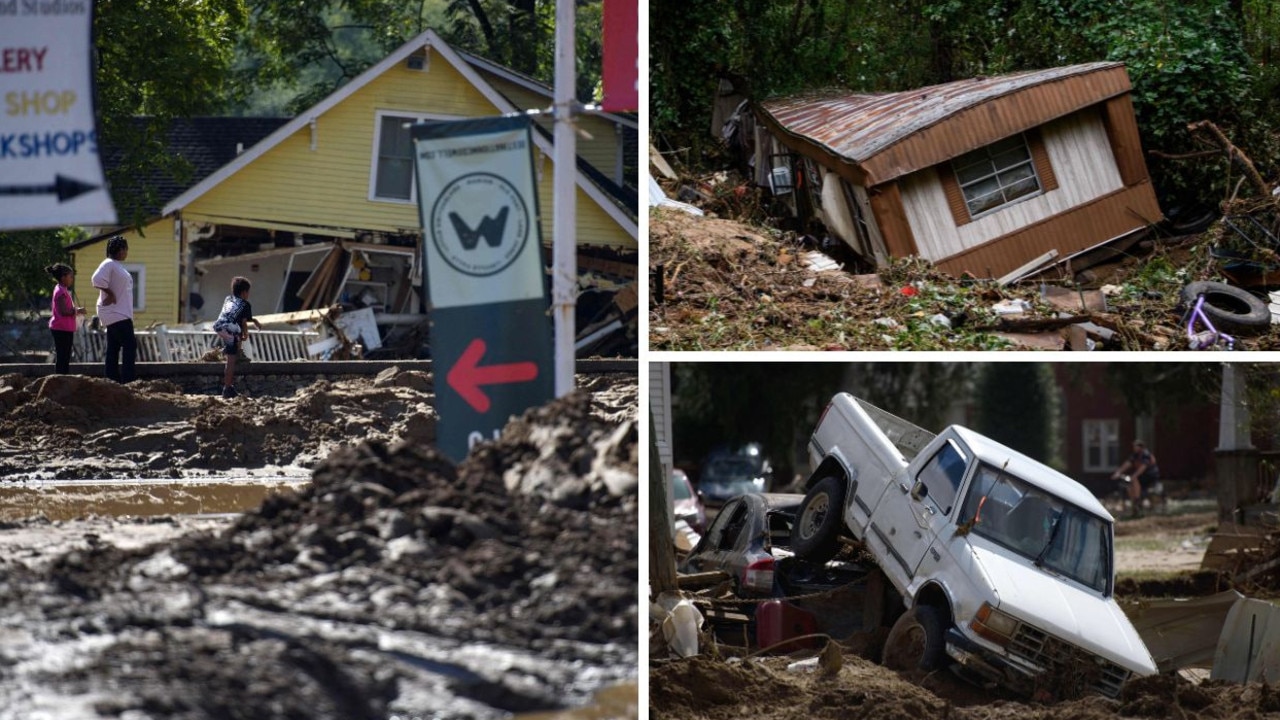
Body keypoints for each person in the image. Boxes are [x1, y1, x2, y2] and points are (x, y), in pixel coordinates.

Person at [91, 236, 136, 383]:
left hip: (117, 313)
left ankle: (112, 381)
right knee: (130, 346)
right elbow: (96, 279)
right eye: (126, 249)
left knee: (114, 347)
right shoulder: (109, 263)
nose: (126, 252)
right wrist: (110, 294)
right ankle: (128, 381)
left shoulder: (115, 265)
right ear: (120, 249)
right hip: (117, 313)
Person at [212, 276, 262, 399]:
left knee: (234, 337)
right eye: (248, 292)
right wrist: (246, 334)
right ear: (244, 292)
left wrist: (253, 320)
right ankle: (227, 388)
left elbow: (234, 315)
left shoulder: (228, 299)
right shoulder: (245, 304)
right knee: (231, 360)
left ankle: (230, 349)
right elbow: (243, 323)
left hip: (218, 325)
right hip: (230, 328)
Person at [45, 263, 86, 374]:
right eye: (70, 276)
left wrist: (75, 310)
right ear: (63, 277)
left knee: (65, 355)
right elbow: (63, 311)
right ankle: (60, 378)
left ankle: (62, 377)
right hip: (61, 328)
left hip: (65, 328)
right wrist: (78, 311)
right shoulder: (61, 291)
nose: (72, 279)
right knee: (63, 356)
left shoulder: (62, 290)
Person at [1111, 440, 1160, 517]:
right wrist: (1118, 472)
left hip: (1150, 476)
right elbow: (1128, 463)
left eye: (1136, 446)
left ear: (1141, 447)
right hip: (1141, 476)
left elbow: (1143, 467)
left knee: (1133, 479)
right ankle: (1135, 503)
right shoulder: (1136, 455)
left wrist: (1133, 476)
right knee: (1129, 485)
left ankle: (1137, 500)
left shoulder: (1146, 454)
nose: (1134, 448)